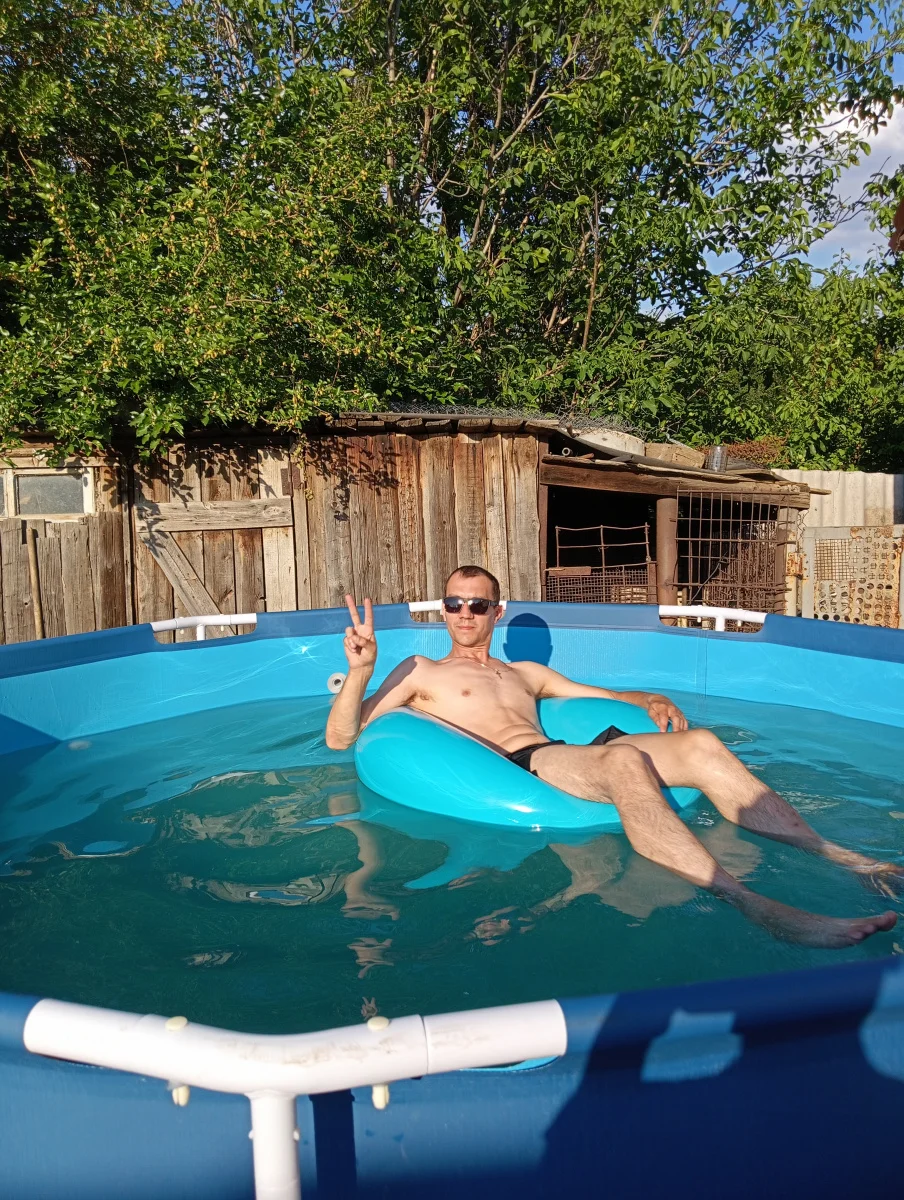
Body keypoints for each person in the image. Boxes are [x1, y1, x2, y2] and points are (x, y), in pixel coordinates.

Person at [326, 564, 900, 948]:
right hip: (524, 763)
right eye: (454, 603)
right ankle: (750, 902)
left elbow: (601, 696)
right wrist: (360, 672)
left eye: (477, 604)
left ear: (497, 611)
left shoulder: (524, 672)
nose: (465, 614)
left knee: (703, 744)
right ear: (443, 610)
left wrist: (648, 697)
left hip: (567, 751)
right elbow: (342, 737)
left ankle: (846, 858)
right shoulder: (421, 671)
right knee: (623, 763)